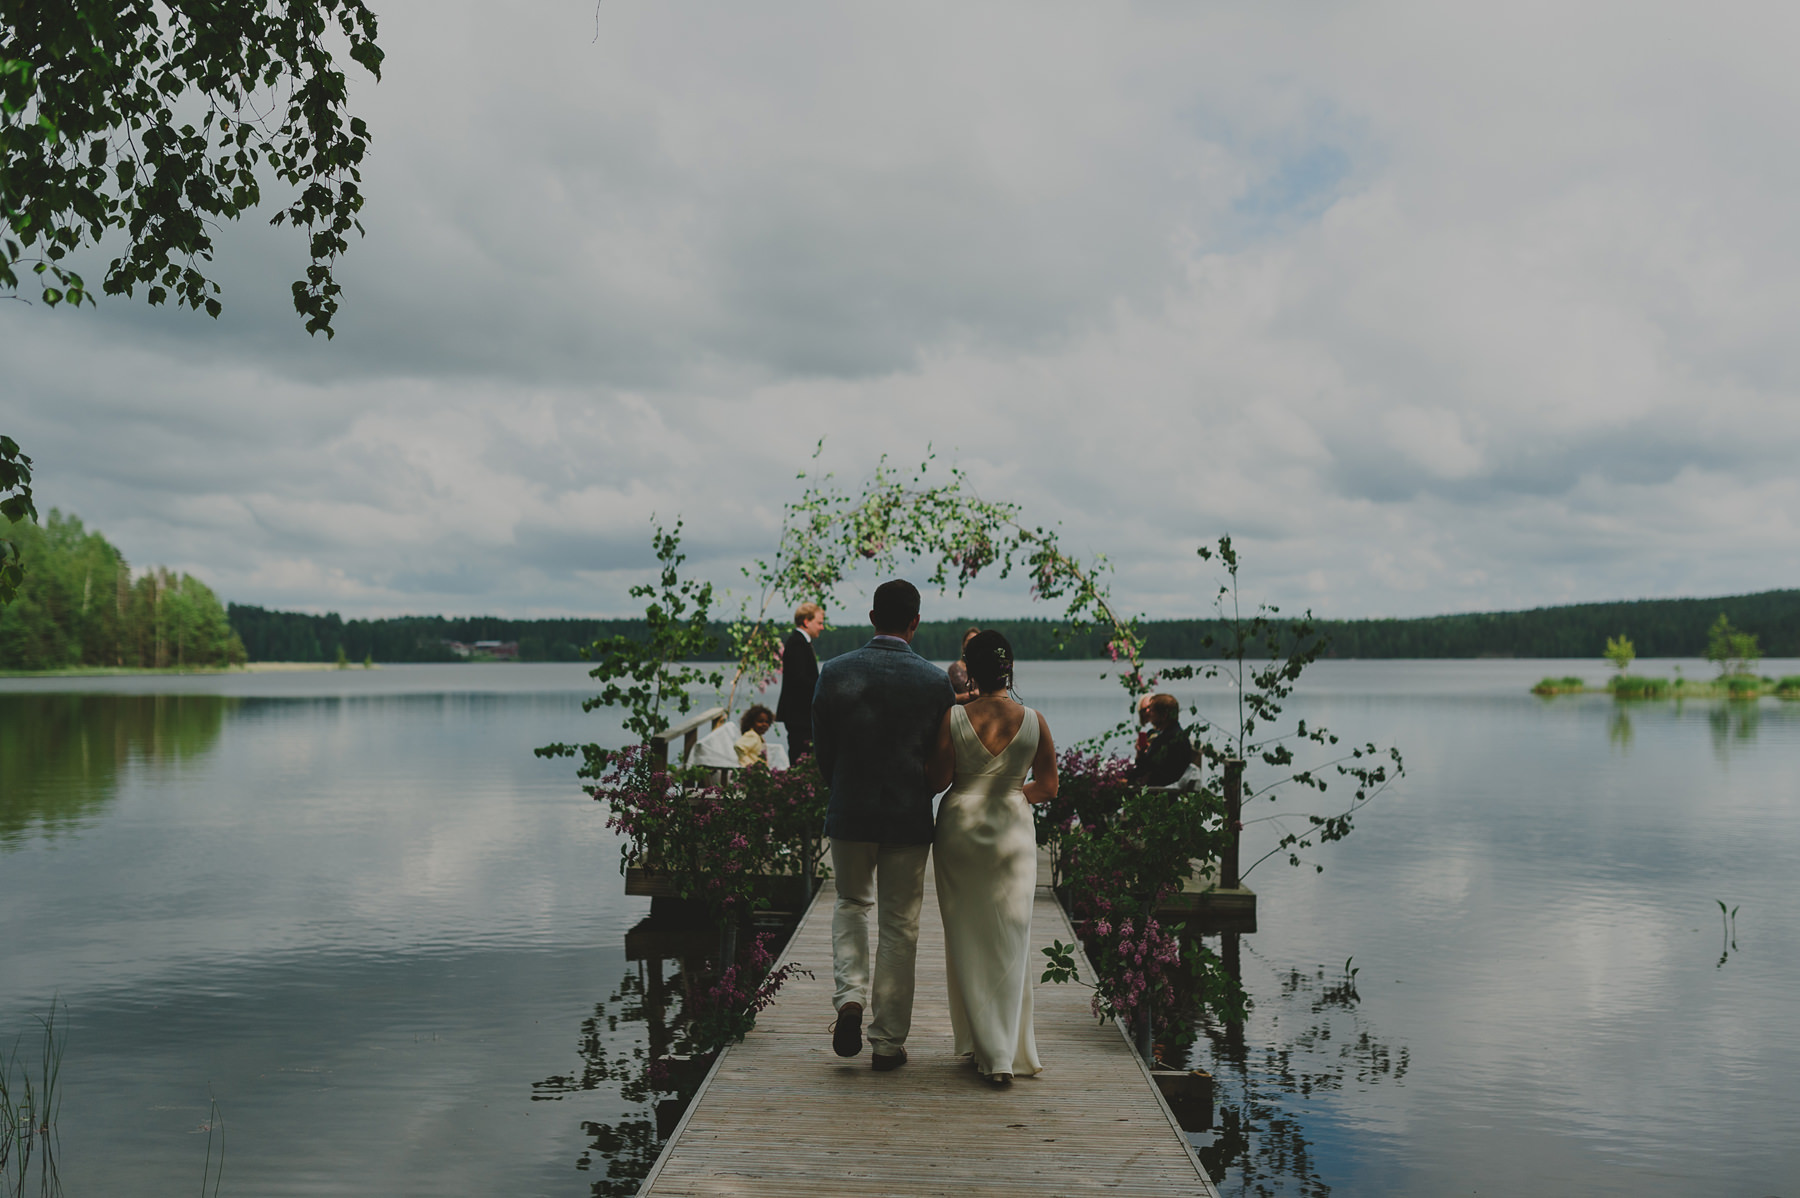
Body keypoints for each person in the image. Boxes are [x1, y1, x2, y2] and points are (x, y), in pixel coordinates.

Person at [811, 579, 954, 1072]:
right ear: (915, 622)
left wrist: (843, 787)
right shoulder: (936, 682)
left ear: (872, 617)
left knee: (851, 904)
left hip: (850, 810)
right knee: (900, 925)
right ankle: (888, 1043)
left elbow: (822, 751)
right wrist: (924, 791)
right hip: (908, 815)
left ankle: (849, 996)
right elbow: (942, 757)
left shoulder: (834, 671)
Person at [926, 629, 1058, 1085]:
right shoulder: (1035, 720)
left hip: (960, 828)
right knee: (1011, 938)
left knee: (965, 935)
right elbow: (1049, 787)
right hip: (1012, 831)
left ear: (971, 669)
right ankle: (1006, 1050)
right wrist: (1009, 792)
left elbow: (938, 779)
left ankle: (986, 1047)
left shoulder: (954, 716)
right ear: (1010, 668)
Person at [777, 602, 825, 758]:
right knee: (800, 756)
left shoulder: (799, 642)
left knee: (803, 756)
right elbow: (801, 681)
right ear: (806, 621)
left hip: (799, 715)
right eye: (819, 623)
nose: (822, 627)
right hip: (799, 716)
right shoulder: (797, 643)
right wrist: (825, 688)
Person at [1130, 693, 1191, 787]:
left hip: (1159, 792)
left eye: (1152, 710)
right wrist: (1141, 753)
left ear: (1164, 715)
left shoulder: (1170, 740)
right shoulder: (1170, 735)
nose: (1149, 713)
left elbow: (1150, 770)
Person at [945, 625, 982, 704]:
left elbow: (993, 694)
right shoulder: (954, 669)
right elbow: (947, 696)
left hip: (981, 712)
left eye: (975, 641)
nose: (972, 644)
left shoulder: (985, 667)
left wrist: (979, 694)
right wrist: (967, 696)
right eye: (969, 641)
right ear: (963, 644)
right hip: (961, 712)